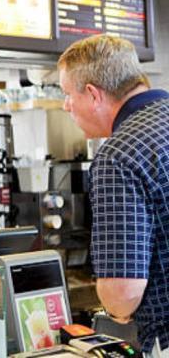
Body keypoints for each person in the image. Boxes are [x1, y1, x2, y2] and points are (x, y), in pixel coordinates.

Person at [58, 34, 169, 355]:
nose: (66, 106)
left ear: (93, 94)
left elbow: (122, 295)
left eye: (67, 95)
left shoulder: (119, 154)